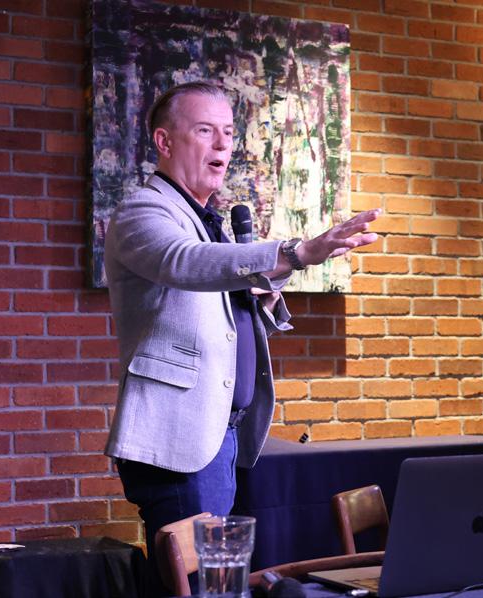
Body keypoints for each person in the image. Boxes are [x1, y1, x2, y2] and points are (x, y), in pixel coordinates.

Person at [102, 81, 380, 596]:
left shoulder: (208, 220)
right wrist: (295, 253)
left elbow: (219, 314)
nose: (223, 145)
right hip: (178, 441)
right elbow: (184, 263)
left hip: (220, 435)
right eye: (205, 131)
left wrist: (264, 306)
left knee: (216, 586)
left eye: (229, 133)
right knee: (198, 589)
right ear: (164, 141)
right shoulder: (143, 211)